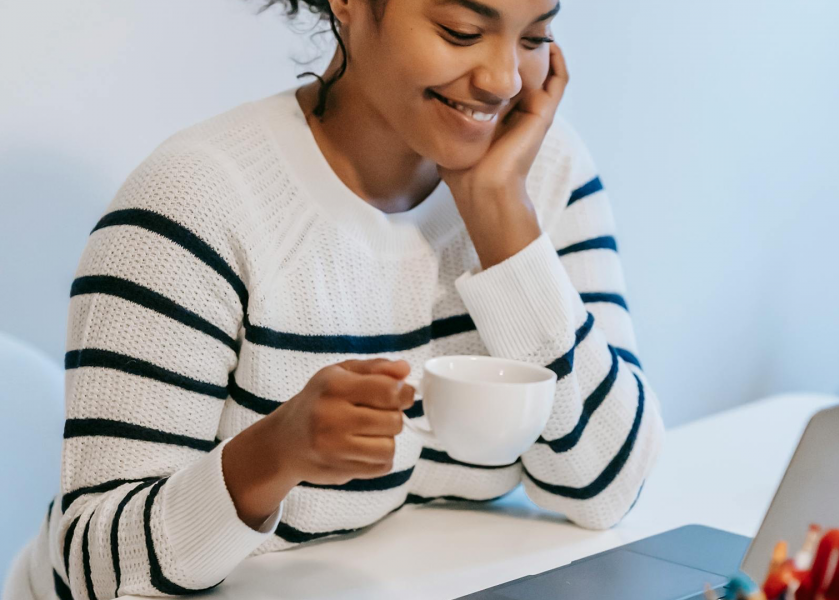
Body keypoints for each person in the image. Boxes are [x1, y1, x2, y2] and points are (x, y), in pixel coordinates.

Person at [4, 0, 665, 597]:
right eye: (462, 31)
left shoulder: (540, 172)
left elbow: (609, 488)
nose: (503, 81)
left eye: (536, 37)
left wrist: (500, 219)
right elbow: (94, 567)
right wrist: (273, 454)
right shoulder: (194, 203)